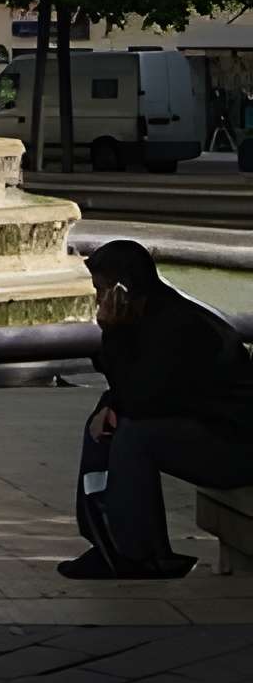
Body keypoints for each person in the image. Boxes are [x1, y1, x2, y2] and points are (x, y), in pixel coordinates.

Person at [63, 238, 253, 579]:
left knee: (134, 436)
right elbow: (131, 388)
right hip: (208, 429)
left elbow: (142, 400)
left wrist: (112, 330)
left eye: (102, 290)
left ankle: (137, 555)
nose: (98, 300)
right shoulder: (146, 317)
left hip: (237, 445)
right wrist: (109, 403)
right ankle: (108, 542)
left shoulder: (180, 326)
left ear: (125, 288)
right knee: (103, 425)